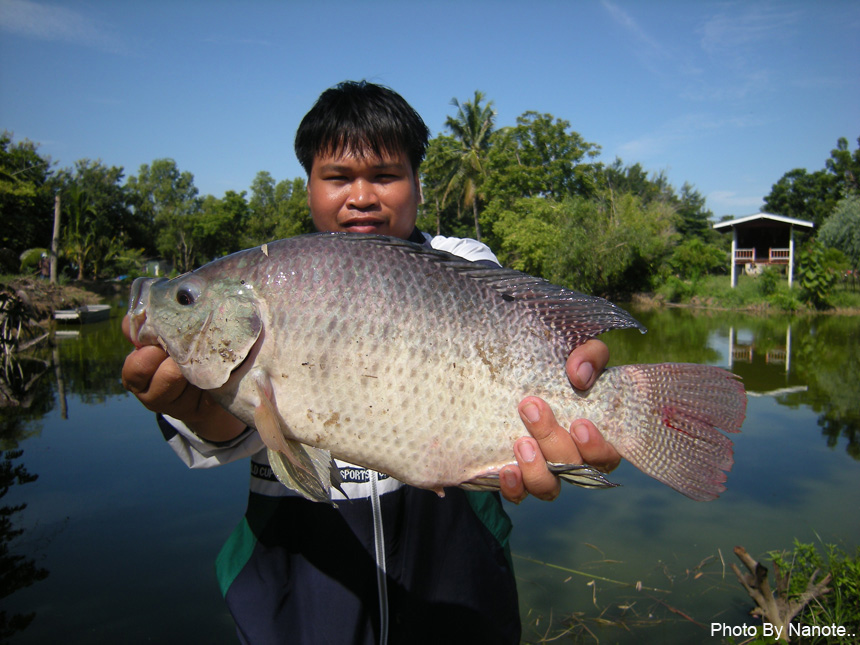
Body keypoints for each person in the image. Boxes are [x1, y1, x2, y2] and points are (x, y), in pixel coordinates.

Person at [122, 81, 620, 644]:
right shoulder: (267, 280)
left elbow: (525, 353)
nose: (362, 196)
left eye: (385, 176)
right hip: (300, 607)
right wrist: (200, 402)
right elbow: (228, 433)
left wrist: (584, 394)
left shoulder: (463, 265)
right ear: (308, 186)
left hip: (460, 597)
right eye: (337, 178)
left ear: (418, 184)